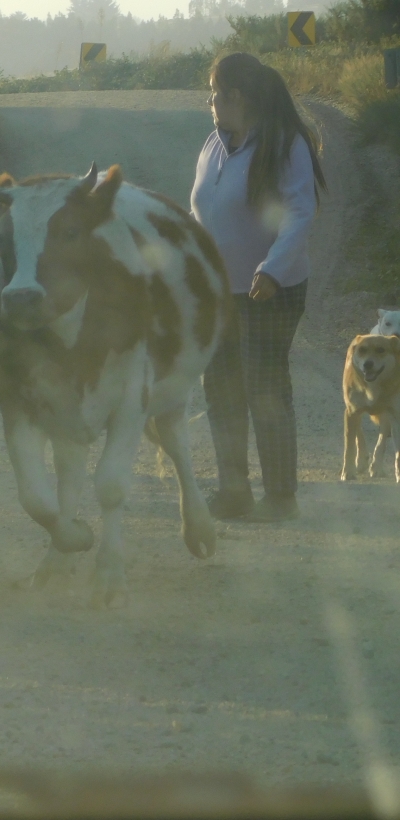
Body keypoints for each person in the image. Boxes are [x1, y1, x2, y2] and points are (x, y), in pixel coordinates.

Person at [192, 52, 326, 523]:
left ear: (237, 97)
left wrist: (271, 268)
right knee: (221, 388)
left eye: (215, 92)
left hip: (273, 289)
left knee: (264, 387)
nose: (210, 101)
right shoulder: (213, 144)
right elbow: (202, 214)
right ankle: (233, 491)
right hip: (220, 293)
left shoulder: (285, 144)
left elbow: (298, 213)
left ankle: (281, 497)